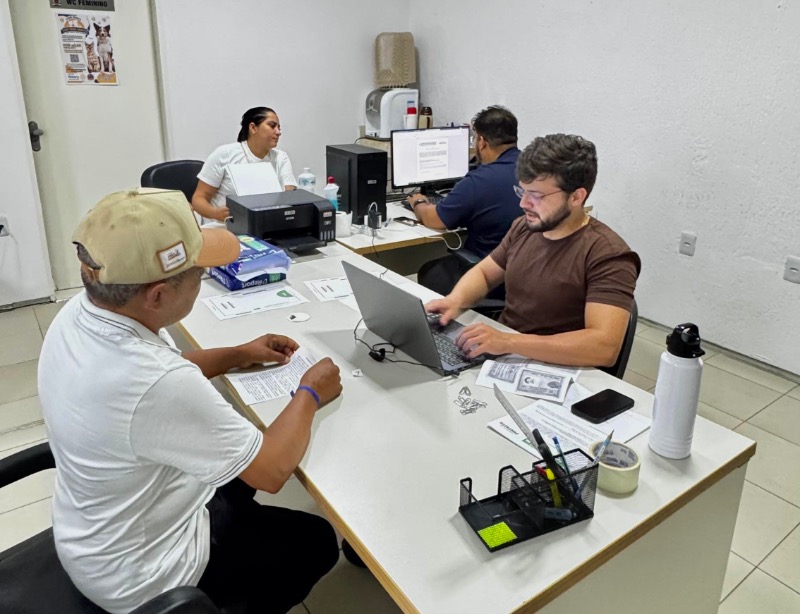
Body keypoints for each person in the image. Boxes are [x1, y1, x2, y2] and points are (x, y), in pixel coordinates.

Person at [38, 188, 341, 613]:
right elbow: (272, 471)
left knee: (238, 465)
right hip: (145, 577)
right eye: (200, 273)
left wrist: (239, 353)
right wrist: (310, 391)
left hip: (95, 534)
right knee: (316, 540)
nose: (204, 278)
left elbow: (159, 375)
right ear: (158, 296)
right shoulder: (154, 381)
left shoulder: (82, 312)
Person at [426, 134, 641, 368]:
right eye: (522, 192)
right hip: (506, 352)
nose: (523, 204)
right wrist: (455, 301)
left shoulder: (608, 255)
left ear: (576, 197)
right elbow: (485, 274)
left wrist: (508, 341)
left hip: (554, 366)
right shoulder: (525, 227)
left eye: (536, 196)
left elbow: (604, 347)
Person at [407, 105, 522, 296]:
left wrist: (418, 203)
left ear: (482, 142)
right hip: (528, 277)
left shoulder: (479, 180)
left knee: (429, 271)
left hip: (487, 276)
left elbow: (435, 220)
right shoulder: (535, 169)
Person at [192, 106, 297, 222]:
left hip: (268, 223)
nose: (278, 132)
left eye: (279, 128)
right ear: (253, 128)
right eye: (272, 126)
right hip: (224, 224)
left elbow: (289, 197)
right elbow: (199, 198)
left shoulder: (281, 158)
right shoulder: (225, 154)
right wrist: (216, 213)